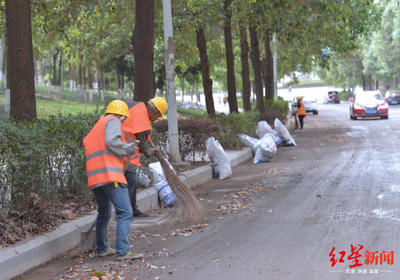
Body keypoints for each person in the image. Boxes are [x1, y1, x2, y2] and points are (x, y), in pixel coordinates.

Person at [83, 100, 143, 260]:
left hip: (96, 178)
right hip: (111, 176)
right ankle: (123, 251)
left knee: (104, 213)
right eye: (124, 118)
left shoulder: (97, 127)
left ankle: (102, 248)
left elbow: (104, 147)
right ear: (122, 115)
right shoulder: (113, 120)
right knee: (125, 211)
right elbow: (112, 141)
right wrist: (129, 148)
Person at [122, 97, 168, 217]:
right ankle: (129, 211)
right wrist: (151, 152)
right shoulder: (143, 123)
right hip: (127, 153)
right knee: (130, 182)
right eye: (157, 116)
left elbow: (126, 103)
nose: (156, 119)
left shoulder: (139, 106)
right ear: (154, 112)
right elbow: (143, 148)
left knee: (127, 182)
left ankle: (130, 209)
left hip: (121, 148)